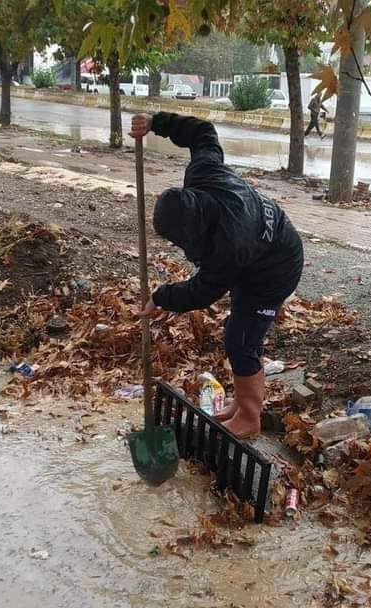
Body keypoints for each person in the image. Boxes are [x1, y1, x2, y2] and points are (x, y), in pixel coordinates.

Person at [130, 112, 304, 439]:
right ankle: (241, 403)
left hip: (276, 268)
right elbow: (203, 133)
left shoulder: (228, 247)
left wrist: (160, 298)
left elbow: (201, 292)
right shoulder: (203, 172)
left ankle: (250, 419)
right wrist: (156, 122)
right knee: (239, 330)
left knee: (241, 341)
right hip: (258, 251)